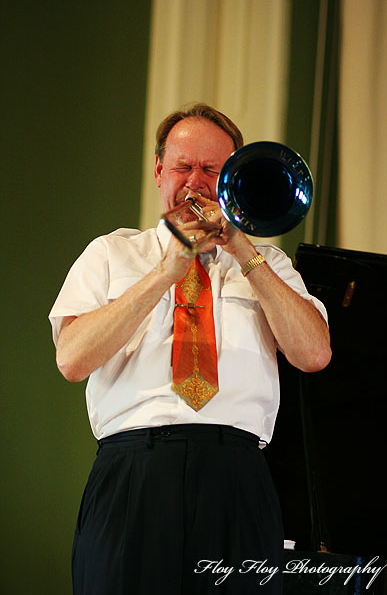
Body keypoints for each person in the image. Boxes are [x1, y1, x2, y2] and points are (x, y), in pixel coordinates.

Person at [49, 103, 331, 594]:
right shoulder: (112, 252)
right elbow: (72, 359)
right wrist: (167, 271)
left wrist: (243, 250)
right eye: (183, 167)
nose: (195, 182)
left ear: (232, 179)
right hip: (134, 474)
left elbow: (314, 354)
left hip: (237, 478)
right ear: (159, 171)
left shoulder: (269, 263)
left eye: (212, 170)